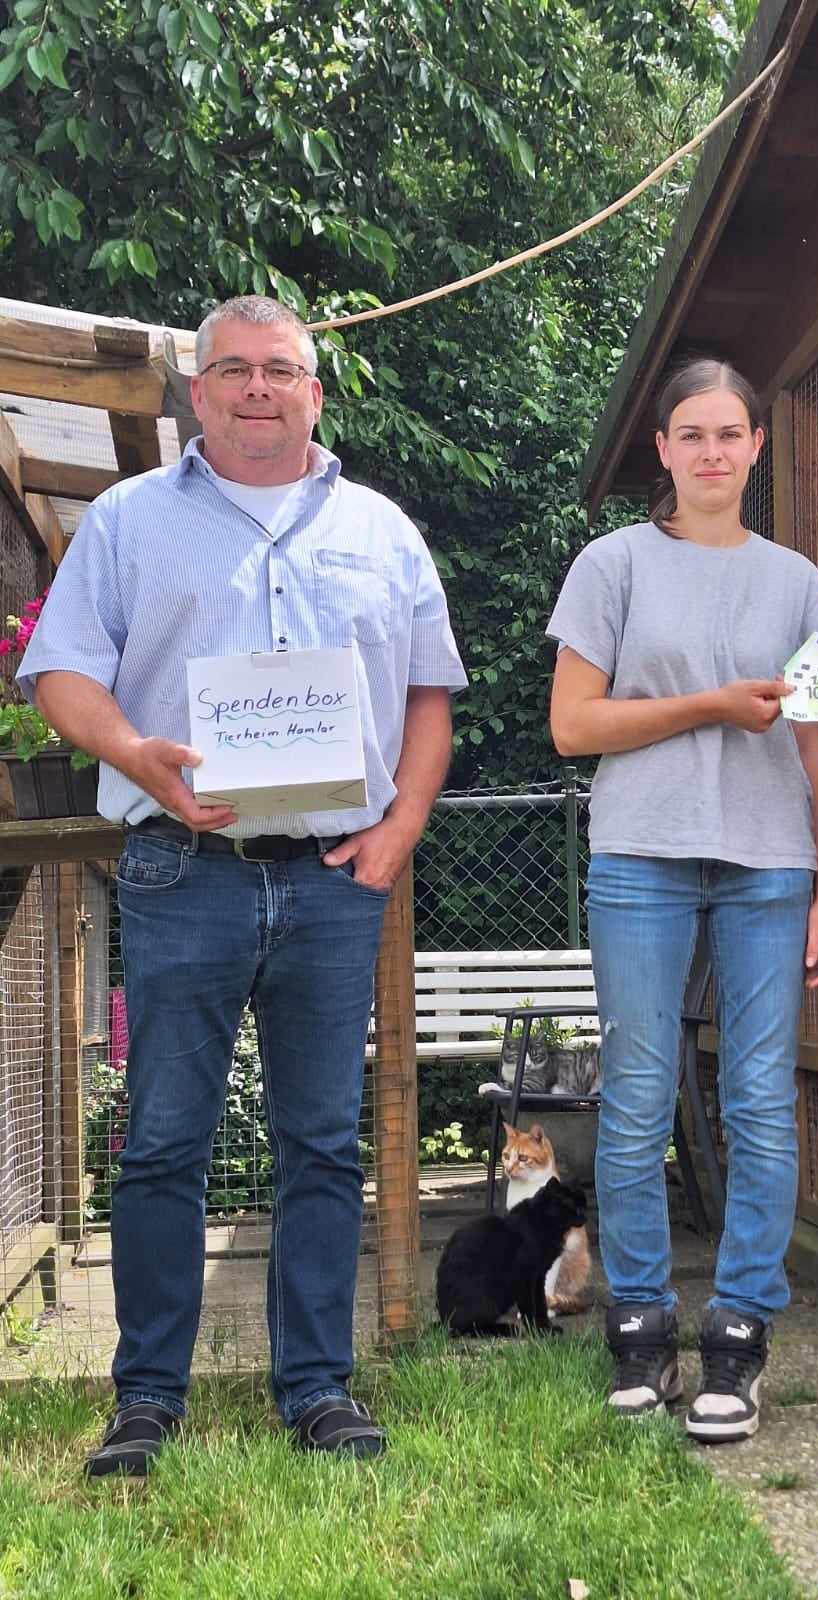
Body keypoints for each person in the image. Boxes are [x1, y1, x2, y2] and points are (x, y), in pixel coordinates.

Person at [18, 295, 467, 1475]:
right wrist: (132, 756)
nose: (259, 388)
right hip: (184, 865)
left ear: (316, 392)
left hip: (333, 875)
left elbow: (430, 693)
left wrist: (402, 825)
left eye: (282, 371)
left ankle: (317, 1388)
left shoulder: (381, 528)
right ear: (197, 392)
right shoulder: (126, 522)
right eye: (234, 371)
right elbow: (60, 671)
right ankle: (147, 1397)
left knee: (322, 1141)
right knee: (165, 1138)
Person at [547, 358, 818, 1443]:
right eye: (692, 434)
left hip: (772, 859)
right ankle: (639, 1323)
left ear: (756, 447)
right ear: (663, 451)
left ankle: (738, 1337)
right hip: (641, 852)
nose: (713, 452)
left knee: (761, 1098)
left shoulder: (797, 579)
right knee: (638, 1094)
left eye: (732, 433)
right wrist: (709, 704)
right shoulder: (611, 564)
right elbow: (574, 725)